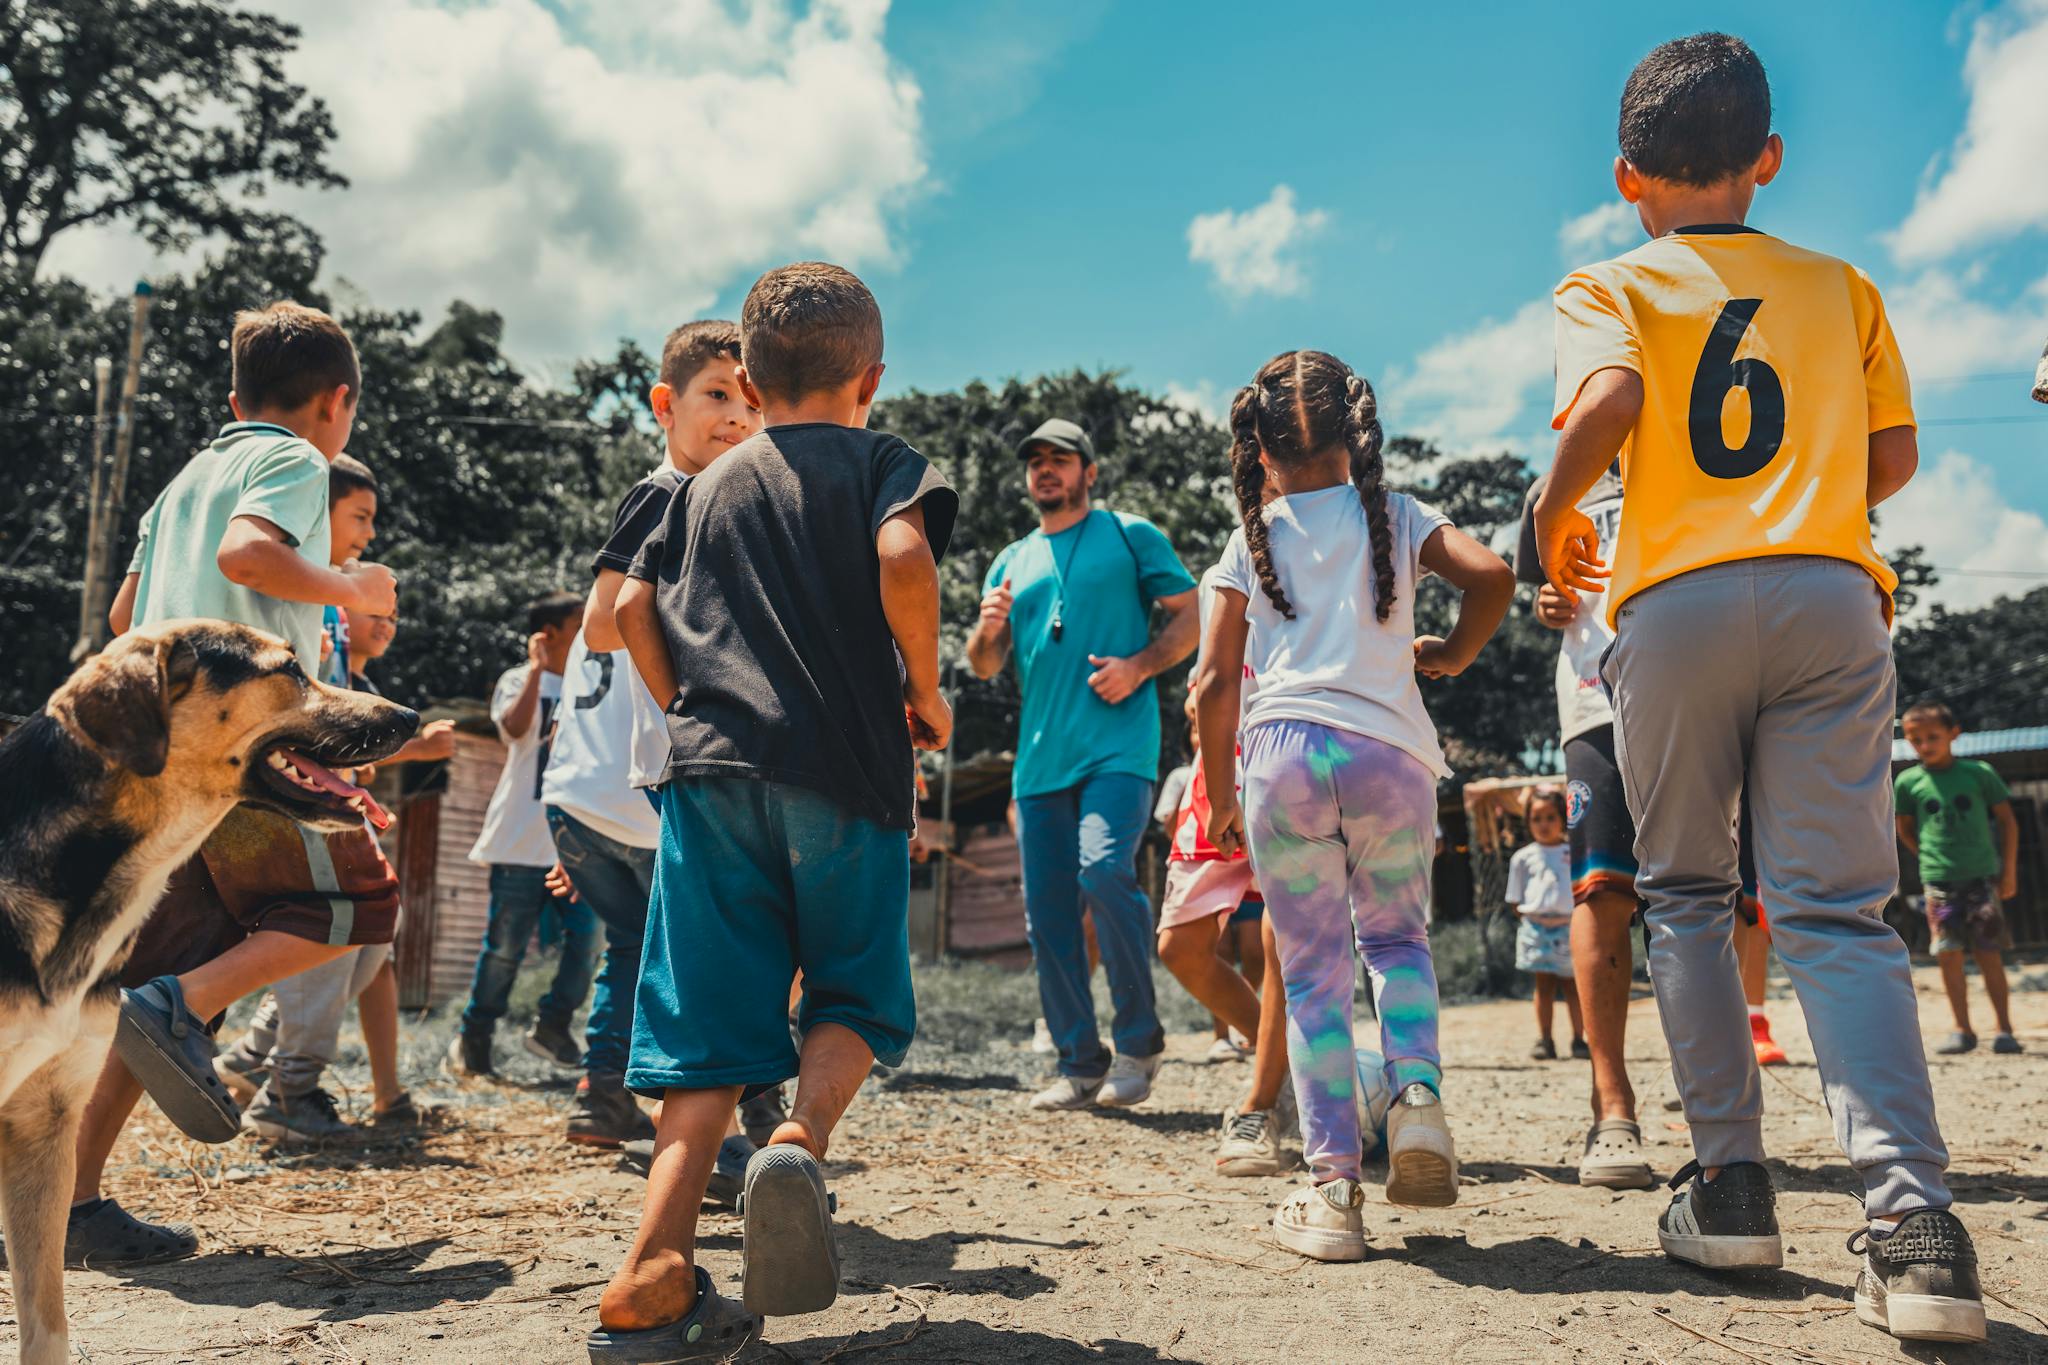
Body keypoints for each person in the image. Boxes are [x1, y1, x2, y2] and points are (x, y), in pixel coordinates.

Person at [1534, 33, 1984, 1342]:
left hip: (1671, 601)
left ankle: (1729, 1189)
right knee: (1840, 914)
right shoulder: (1841, 285)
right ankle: (1916, 1227)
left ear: (1628, 176)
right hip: (1834, 595)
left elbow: (1609, 402)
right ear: (1768, 158)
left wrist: (1548, 516)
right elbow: (1889, 460)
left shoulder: (1604, 285)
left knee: (1680, 893)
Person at [592, 261, 956, 1359]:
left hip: (708, 782)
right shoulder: (883, 463)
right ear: (872, 380)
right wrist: (924, 691)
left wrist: (689, 707)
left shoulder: (700, 485)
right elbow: (904, 554)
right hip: (844, 774)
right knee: (850, 986)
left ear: (746, 377)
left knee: (702, 1036)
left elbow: (626, 609)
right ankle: (797, 1136)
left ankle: (653, 1269)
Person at [70, 301, 403, 1265]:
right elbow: (247, 555)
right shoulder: (296, 460)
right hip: (246, 755)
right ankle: (187, 1006)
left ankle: (75, 1205)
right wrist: (351, 587)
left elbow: (128, 613)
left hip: (163, 767)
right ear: (338, 402)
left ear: (232, 397)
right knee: (357, 902)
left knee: (144, 987)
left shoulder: (179, 484)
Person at [1196, 349, 1513, 1262]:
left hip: (1284, 757)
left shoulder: (1247, 540)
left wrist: (1222, 792)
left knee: (1314, 978)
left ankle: (1333, 1188)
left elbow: (1215, 681)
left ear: (1258, 446)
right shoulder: (1401, 517)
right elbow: (1491, 576)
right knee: (1399, 943)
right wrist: (1450, 652)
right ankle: (1416, 1102)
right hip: (1392, 757)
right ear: (1358, 431)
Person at [563, 319, 763, 1158]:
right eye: (717, 396)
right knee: (708, 958)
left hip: (657, 777)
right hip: (665, 776)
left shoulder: (719, 501)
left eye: (751, 404)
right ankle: (710, 1138)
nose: (736, 420)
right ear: (664, 404)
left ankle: (718, 1128)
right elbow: (603, 623)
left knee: (692, 956)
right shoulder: (665, 496)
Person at [966, 417, 1199, 1112]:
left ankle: (1139, 1041)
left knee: (1103, 868)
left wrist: (1141, 665)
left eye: (1060, 458)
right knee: (1047, 918)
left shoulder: (1132, 535)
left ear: (1088, 471)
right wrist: (987, 627)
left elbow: (1191, 616)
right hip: (1039, 762)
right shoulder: (1011, 558)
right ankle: (1079, 1061)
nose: (1045, 469)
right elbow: (984, 665)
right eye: (1035, 460)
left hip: (1118, 749)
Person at [219, 457, 454, 1141]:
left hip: (307, 797)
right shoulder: (309, 600)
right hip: (282, 801)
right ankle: (286, 1088)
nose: (368, 536)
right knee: (333, 925)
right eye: (359, 517)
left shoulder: (316, 601)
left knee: (363, 933)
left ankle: (252, 1060)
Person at [446, 591, 601, 1078]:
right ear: (548, 634)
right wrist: (538, 670)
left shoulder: (594, 681)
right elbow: (513, 730)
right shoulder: (517, 679)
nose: (588, 632)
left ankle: (553, 1025)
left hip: (576, 845)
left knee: (589, 939)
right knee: (505, 949)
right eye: (579, 625)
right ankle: (475, 1037)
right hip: (518, 842)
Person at [1896, 700, 2023, 1056]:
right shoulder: (1908, 782)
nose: (1924, 745)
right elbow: (1903, 827)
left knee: (1989, 951)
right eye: (1914, 738)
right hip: (1939, 882)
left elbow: (2008, 821)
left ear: (1954, 734)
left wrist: (2008, 870)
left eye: (1932, 736)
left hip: (1982, 878)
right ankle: (1961, 1029)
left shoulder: (1979, 773)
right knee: (1948, 954)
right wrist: (1928, 857)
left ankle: (2004, 1029)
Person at [1507, 789, 1585, 1061]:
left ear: (1562, 819)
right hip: (1536, 929)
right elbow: (1515, 900)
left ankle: (1579, 1039)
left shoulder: (1574, 853)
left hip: (1569, 928)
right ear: (1528, 822)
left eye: (1550, 817)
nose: (1544, 824)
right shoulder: (1522, 858)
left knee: (1573, 985)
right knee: (1543, 987)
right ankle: (1545, 1040)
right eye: (1536, 818)